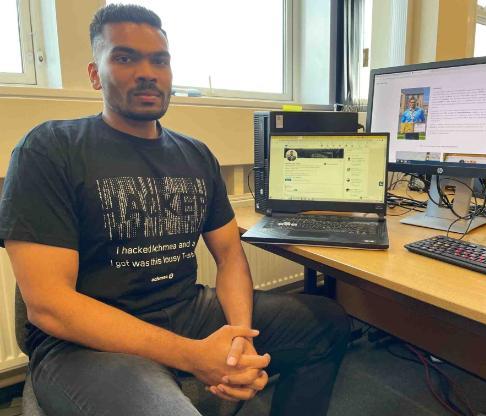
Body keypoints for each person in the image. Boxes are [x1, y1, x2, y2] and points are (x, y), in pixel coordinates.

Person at [0, 4, 350, 416]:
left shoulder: (195, 155)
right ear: (95, 74)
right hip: (83, 342)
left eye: (159, 60)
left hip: (185, 309)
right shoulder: (49, 149)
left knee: (327, 323)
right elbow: (50, 305)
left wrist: (240, 337)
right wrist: (195, 357)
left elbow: (230, 254)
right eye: (125, 57)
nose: (147, 71)